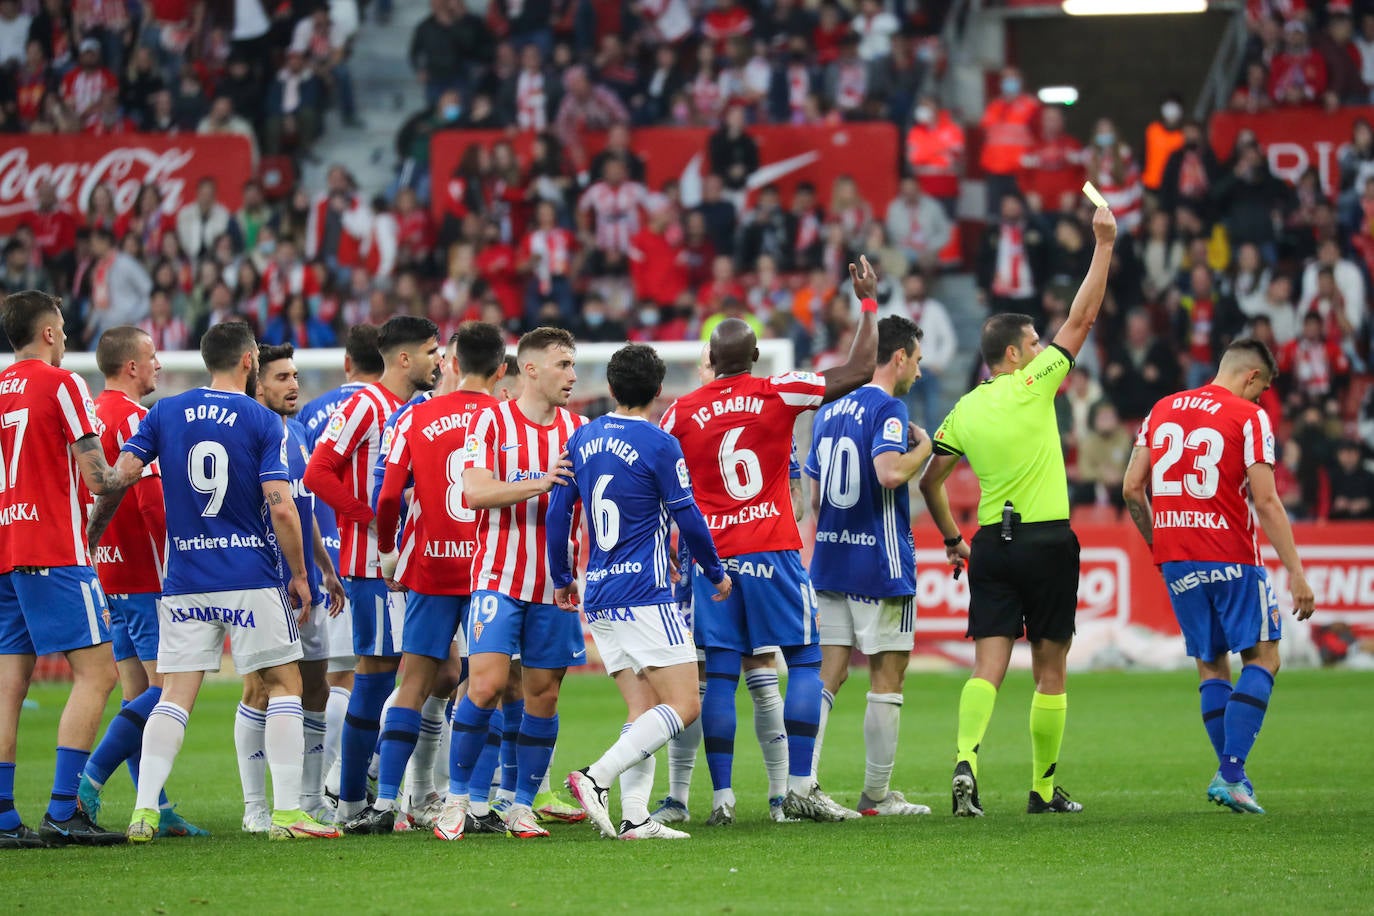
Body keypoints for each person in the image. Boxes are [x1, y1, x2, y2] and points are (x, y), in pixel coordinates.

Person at [86, 321, 338, 842]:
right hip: (249, 573)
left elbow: (117, 479)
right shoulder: (262, 420)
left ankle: (143, 811)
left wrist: (88, 531)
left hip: (185, 580)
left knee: (175, 693)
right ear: (249, 362)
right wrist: (298, 575)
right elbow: (282, 506)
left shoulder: (165, 412)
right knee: (285, 683)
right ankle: (289, 814)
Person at [659, 255, 879, 824]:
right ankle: (801, 787)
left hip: (717, 562)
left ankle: (723, 799)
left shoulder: (681, 411)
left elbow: (662, 480)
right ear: (755, 357)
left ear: (708, 360)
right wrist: (869, 303)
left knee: (722, 677)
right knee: (806, 659)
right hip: (773, 547)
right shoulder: (779, 390)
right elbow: (858, 368)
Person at [918, 205, 1118, 817]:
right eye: (1032, 343)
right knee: (1050, 670)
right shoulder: (1036, 384)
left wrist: (954, 537)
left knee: (988, 666)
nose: (1040, 348)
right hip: (1046, 542)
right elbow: (1082, 317)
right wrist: (1103, 245)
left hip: (991, 547)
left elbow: (931, 482)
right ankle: (1041, 787)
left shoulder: (963, 411)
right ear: (1011, 355)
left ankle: (966, 762)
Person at [1122, 338, 1315, 813]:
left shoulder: (1161, 409)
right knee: (1265, 658)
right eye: (1262, 389)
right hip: (1230, 553)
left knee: (1211, 663)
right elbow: (1266, 502)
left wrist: (1159, 545)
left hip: (1177, 557)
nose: (1260, 399)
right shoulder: (1249, 417)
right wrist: (1296, 571)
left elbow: (1131, 489)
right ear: (1251, 377)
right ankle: (1231, 773)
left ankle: (1233, 776)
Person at [550, 343, 733, 840]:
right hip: (645, 592)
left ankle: (635, 818)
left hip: (600, 593)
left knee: (645, 709)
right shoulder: (658, 443)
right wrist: (715, 572)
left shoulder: (582, 437)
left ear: (610, 388)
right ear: (658, 391)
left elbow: (557, 513)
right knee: (685, 704)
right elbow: (688, 517)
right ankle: (595, 776)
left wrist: (561, 577)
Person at [360, 323, 505, 837]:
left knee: (414, 683)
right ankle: (479, 805)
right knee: (488, 687)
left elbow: (388, 498)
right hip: (491, 569)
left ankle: (383, 804)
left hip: (429, 565)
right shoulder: (507, 419)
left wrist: (386, 556)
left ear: (453, 363)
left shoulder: (412, 417)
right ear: (503, 370)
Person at [0, 291, 126, 848]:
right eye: (64, 329)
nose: (68, 338)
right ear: (49, 333)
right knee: (99, 673)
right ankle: (61, 809)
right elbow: (98, 478)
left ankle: (4, 816)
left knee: (8, 688)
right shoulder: (64, 383)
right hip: (52, 547)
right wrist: (139, 466)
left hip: (6, 547)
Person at [304, 316, 442, 825]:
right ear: (404, 359)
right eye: (431, 351)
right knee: (377, 674)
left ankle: (380, 791)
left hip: (408, 565)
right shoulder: (364, 404)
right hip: (373, 566)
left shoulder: (414, 410)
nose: (439, 360)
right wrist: (371, 521)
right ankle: (354, 801)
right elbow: (317, 471)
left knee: (434, 672)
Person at [449, 327, 582, 840]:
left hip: (554, 585)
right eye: (563, 365)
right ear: (530, 369)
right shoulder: (490, 421)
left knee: (542, 695)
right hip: (497, 577)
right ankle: (458, 800)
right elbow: (475, 493)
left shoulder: (580, 429)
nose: (571, 375)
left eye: (572, 365)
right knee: (482, 686)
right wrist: (541, 481)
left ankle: (521, 804)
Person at [76, 327, 205, 838]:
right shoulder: (135, 418)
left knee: (138, 694)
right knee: (167, 689)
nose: (158, 365)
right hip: (149, 575)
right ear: (131, 366)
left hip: (110, 573)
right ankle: (87, 783)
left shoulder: (90, 414)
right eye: (151, 357)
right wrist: (187, 563)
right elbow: (153, 504)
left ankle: (155, 804)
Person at [805, 315, 932, 817]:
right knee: (888, 676)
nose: (918, 372)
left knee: (826, 676)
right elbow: (889, 472)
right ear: (898, 356)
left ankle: (803, 782)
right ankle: (877, 796)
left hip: (832, 559)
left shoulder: (830, 410)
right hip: (880, 565)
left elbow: (814, 495)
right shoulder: (890, 408)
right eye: (917, 361)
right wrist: (926, 445)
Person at [235, 344, 346, 832]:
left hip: (308, 585)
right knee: (261, 689)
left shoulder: (299, 433)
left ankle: (309, 798)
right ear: (257, 386)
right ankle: (256, 808)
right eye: (282, 377)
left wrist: (324, 567)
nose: (293, 385)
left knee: (316, 687)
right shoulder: (246, 435)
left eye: (295, 375)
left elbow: (302, 514)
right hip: (265, 582)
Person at [298, 324, 384, 790]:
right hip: (370, 554)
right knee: (379, 672)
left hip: (324, 550)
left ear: (346, 362)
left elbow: (303, 478)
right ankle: (344, 779)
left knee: (337, 677)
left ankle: (332, 781)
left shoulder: (313, 412)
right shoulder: (390, 408)